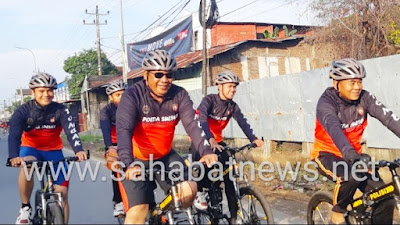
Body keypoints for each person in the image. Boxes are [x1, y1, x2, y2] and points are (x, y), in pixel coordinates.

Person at [116, 49, 218, 224]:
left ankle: (161, 215)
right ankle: (149, 211)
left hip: (165, 156)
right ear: (146, 75)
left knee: (189, 190)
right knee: (138, 212)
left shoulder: (179, 95)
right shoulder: (132, 95)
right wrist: (127, 164)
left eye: (169, 75)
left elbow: (193, 125)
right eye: (158, 74)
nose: (164, 80)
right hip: (136, 159)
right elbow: (123, 130)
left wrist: (206, 151)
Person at [311, 58, 399, 224]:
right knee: (350, 174)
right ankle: (338, 211)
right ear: (337, 83)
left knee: (385, 197)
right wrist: (350, 154)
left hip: (354, 156)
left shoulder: (365, 98)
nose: (357, 87)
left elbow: (389, 118)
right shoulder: (326, 103)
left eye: (359, 82)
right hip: (326, 154)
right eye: (352, 83)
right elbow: (334, 130)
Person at [8, 72, 87, 224]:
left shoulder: (61, 110)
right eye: (42, 91)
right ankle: (25, 208)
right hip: (31, 148)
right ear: (33, 92)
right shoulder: (23, 111)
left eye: (50, 90)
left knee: (62, 194)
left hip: (54, 151)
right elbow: (14, 136)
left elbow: (71, 131)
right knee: (27, 165)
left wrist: (79, 150)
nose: (46, 94)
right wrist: (13, 156)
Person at [192, 70, 264, 223]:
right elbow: (202, 120)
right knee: (202, 171)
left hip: (218, 143)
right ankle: (199, 192)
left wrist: (253, 138)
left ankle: (232, 217)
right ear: (219, 86)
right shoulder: (209, 101)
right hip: (201, 141)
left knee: (229, 176)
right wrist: (209, 138)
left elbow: (243, 122)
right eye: (230, 86)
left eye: (235, 87)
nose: (233, 90)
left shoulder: (232, 106)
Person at [100, 79, 127, 217]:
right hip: (114, 145)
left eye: (124, 94)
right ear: (111, 97)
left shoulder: (134, 106)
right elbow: (105, 131)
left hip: (131, 142)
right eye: (118, 95)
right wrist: (110, 148)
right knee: (116, 168)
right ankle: (118, 202)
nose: (122, 98)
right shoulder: (106, 111)